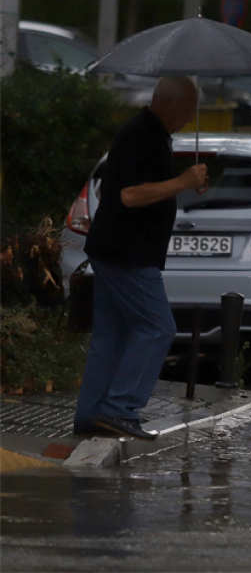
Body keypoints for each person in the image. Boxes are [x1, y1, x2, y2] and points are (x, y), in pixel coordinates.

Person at [73, 76, 207, 441]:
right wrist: (181, 182)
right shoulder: (139, 135)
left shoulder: (153, 135)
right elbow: (130, 195)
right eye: (187, 110)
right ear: (167, 104)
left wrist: (182, 181)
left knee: (111, 337)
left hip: (117, 250)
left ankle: (90, 417)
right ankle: (119, 409)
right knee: (158, 328)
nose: (189, 118)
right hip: (127, 253)